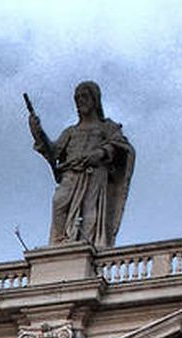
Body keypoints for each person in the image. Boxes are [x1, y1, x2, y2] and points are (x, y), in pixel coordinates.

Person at [29, 80, 135, 247]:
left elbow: (120, 146)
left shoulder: (107, 127)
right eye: (77, 98)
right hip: (71, 173)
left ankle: (87, 243)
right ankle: (59, 241)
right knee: (59, 201)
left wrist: (101, 153)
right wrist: (37, 132)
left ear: (94, 100)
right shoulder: (71, 131)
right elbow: (52, 151)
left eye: (84, 97)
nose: (80, 101)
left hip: (95, 173)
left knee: (89, 209)